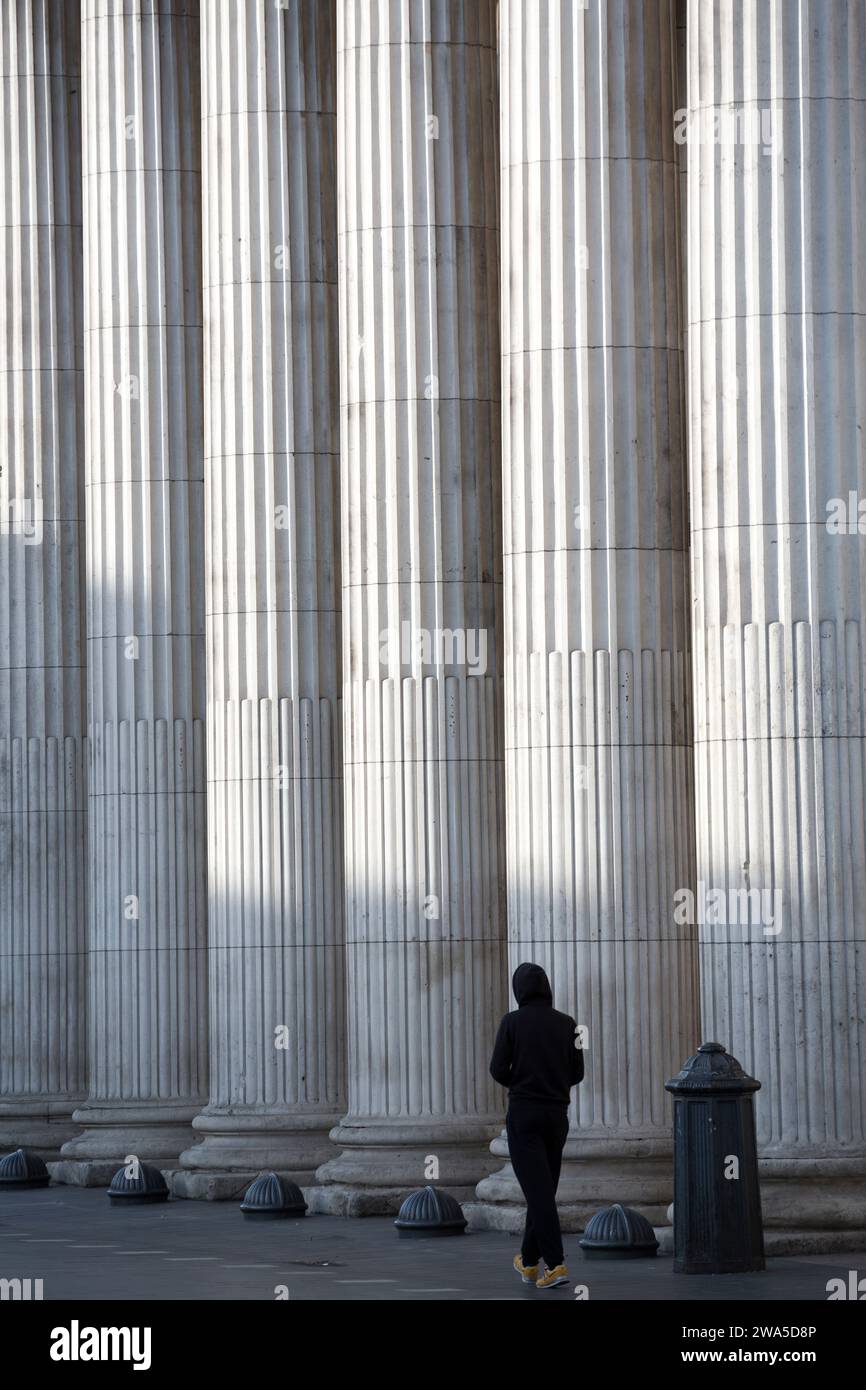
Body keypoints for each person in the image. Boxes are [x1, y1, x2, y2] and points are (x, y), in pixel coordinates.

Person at [489, 962, 584, 1290]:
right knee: (542, 1188)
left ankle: (556, 1264)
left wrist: (522, 1080)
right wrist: (553, 1083)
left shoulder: (512, 1022)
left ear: (519, 990)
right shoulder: (568, 1024)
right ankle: (529, 1262)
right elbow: (577, 1073)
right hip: (557, 1116)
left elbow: (497, 1068)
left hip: (525, 1114)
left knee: (539, 1191)